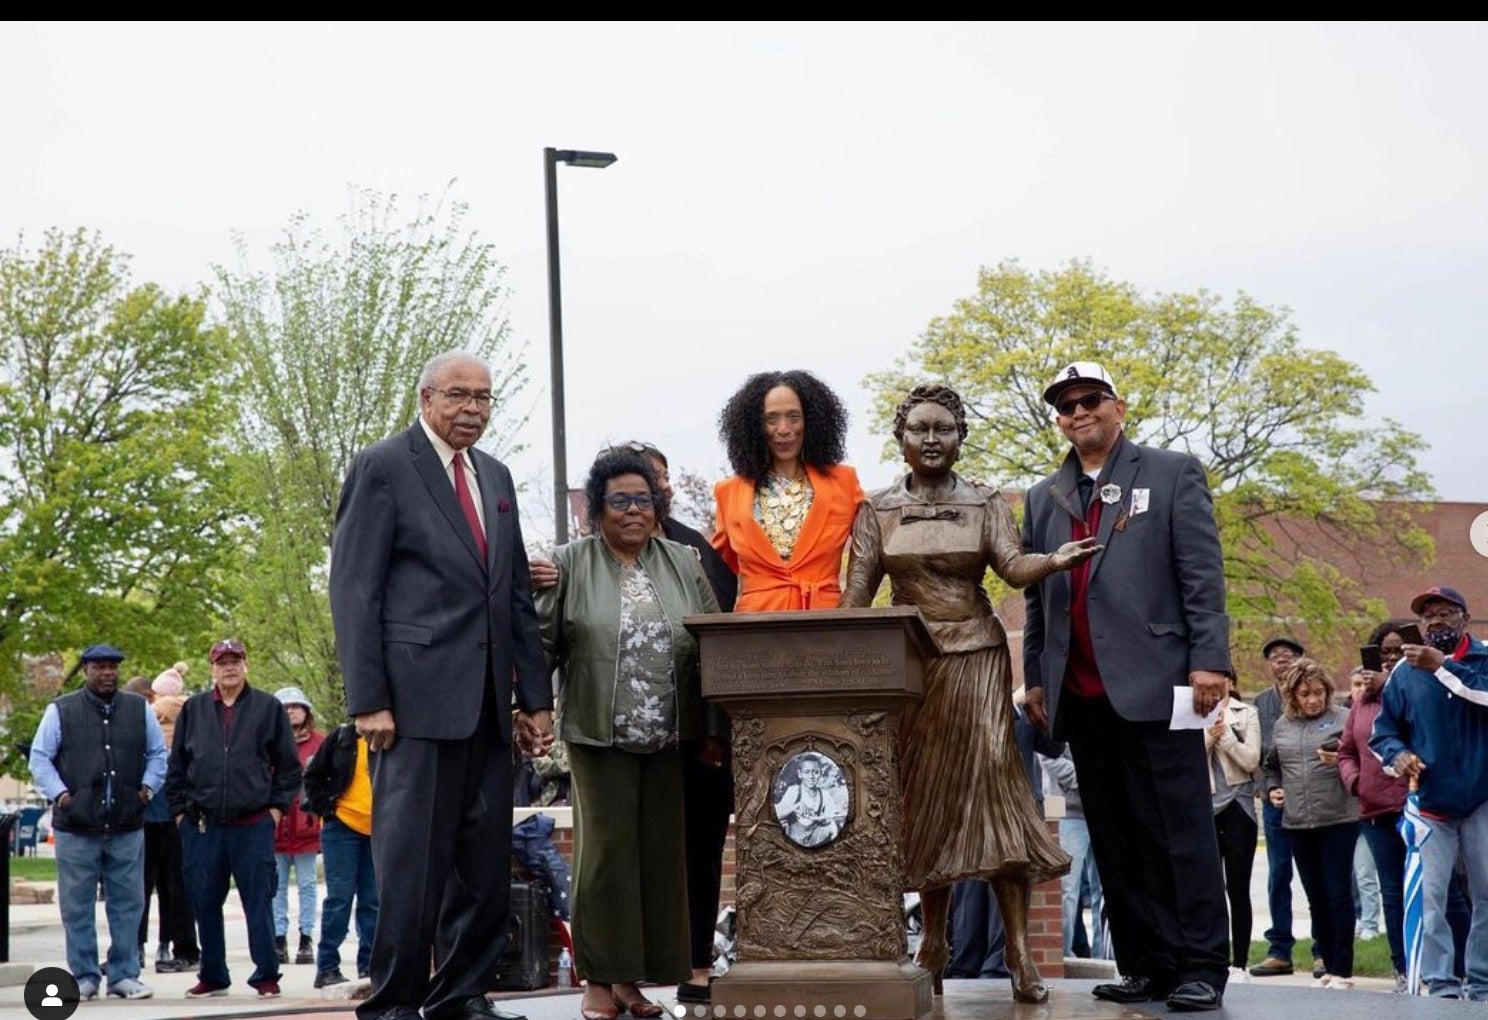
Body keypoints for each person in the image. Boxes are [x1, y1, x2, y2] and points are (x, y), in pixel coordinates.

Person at [841, 383, 1096, 1003]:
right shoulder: (877, 511)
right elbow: (855, 599)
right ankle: (933, 944)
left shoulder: (985, 503)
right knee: (927, 801)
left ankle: (1017, 951)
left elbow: (1011, 567)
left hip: (978, 660)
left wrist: (1054, 559)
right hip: (914, 672)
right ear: (901, 438)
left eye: (944, 429)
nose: (932, 439)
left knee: (992, 793)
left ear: (960, 437)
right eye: (920, 429)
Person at [329, 349, 553, 1020]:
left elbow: (514, 597)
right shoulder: (384, 467)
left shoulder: (497, 476)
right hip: (411, 707)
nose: (472, 410)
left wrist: (535, 700)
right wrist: (368, 699)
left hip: (486, 708)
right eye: (458, 396)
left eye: (483, 398)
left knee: (482, 869)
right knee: (413, 868)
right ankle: (395, 1001)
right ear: (425, 398)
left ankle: (462, 994)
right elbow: (354, 589)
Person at [1020, 362, 1232, 1012]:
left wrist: (1210, 662)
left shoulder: (1170, 473)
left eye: (1090, 400)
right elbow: (1037, 599)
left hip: (1163, 684)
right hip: (1080, 695)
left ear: (1118, 406)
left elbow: (1201, 575)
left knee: (1180, 831)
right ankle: (1147, 964)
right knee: (1115, 838)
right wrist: (1035, 677)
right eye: (1065, 406)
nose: (1078, 412)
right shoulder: (1041, 496)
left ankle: (1201, 965)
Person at [531, 440, 736, 1006]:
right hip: (601, 735)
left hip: (672, 735)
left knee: (658, 864)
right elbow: (542, 643)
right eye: (619, 501)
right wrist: (531, 712)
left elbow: (713, 646)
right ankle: (598, 983)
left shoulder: (681, 562)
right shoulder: (569, 563)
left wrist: (715, 726)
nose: (633, 511)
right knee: (606, 862)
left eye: (643, 500)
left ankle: (634, 982)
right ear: (597, 508)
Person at [29, 644, 168, 1001]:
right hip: (76, 825)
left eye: (112, 667)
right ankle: (85, 976)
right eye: (99, 667)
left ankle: (124, 974)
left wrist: (147, 790)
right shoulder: (61, 710)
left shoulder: (139, 709)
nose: (107, 673)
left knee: (128, 903)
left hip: (126, 823)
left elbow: (157, 754)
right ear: (87, 670)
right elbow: (40, 758)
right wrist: (61, 796)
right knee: (76, 906)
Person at [165, 638, 301, 999]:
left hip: (253, 823)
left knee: (258, 901)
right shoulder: (193, 709)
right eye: (222, 661)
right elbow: (176, 767)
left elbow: (288, 767)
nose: (229, 667)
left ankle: (266, 975)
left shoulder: (268, 707)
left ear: (246, 665)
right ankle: (213, 974)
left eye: (235, 660)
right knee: (205, 901)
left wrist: (275, 810)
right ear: (212, 668)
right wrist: (179, 814)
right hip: (202, 825)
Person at [1371, 585, 1488, 1000]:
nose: (1436, 621)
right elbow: (1382, 733)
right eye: (1427, 615)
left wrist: (1440, 667)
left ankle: (1482, 982)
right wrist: (1399, 756)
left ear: (1466, 617)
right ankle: (1440, 984)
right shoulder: (1404, 673)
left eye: (1445, 612)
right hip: (1431, 803)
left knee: (1486, 895)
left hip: (1482, 797)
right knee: (1431, 897)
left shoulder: (1483, 658)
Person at [712, 370, 863, 612]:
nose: (783, 429)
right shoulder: (728, 492)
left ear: (811, 421)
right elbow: (717, 574)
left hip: (829, 628)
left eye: (794, 417)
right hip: (754, 631)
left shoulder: (844, 482)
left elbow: (871, 554)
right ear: (755, 425)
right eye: (771, 419)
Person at [1261, 658, 1359, 989]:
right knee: (1316, 898)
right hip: (1298, 822)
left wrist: (1345, 760)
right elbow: (1271, 765)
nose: (1313, 699)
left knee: (1338, 894)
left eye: (1319, 692)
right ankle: (1327, 964)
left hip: (1338, 819)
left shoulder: (1345, 719)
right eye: (1306, 694)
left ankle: (1343, 969)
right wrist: (1273, 788)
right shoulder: (1282, 726)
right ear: (1293, 695)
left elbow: (1364, 758)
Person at [1337, 629, 1410, 993]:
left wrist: (1391, 685)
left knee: (1439, 892)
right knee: (1392, 893)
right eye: (1384, 651)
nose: (1391, 657)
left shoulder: (1419, 687)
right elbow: (1346, 750)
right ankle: (1404, 969)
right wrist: (1356, 782)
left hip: (1419, 807)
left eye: (1398, 651)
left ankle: (1454, 969)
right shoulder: (1363, 702)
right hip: (1377, 808)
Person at [1247, 635, 1321, 978]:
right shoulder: (1260, 703)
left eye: (1288, 655)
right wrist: (1267, 789)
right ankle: (1279, 950)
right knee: (1278, 876)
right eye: (1275, 657)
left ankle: (1323, 949)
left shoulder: (1315, 701)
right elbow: (1259, 755)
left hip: (1315, 802)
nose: (1282, 661)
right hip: (1277, 803)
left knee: (1316, 877)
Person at [301, 720, 378, 989]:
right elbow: (313, 777)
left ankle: (370, 968)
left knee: (373, 901)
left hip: (380, 831)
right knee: (339, 899)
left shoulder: (389, 738)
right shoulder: (341, 737)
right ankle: (327, 967)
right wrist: (327, 810)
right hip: (341, 828)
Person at [1207, 675, 1260, 979]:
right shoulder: (1191, 711)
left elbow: (1251, 760)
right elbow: (1184, 760)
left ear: (1229, 681)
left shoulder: (1246, 712)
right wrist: (1208, 736)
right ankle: (1215, 958)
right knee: (1209, 890)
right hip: (1205, 807)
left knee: (1237, 888)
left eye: (1221, 679)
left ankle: (1239, 962)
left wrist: (1225, 735)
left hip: (1239, 806)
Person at [147, 665, 199, 973]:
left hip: (148, 813)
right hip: (180, 815)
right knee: (178, 887)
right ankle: (180, 946)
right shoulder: (193, 718)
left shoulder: (146, 717)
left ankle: (134, 948)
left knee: (138, 888)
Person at [271, 686, 324, 966]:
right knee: (276, 885)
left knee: (307, 885)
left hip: (306, 826)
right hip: (277, 826)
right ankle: (278, 938)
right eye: (285, 707)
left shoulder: (320, 743)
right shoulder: (269, 742)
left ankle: (306, 938)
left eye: (296, 706)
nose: (291, 710)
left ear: (306, 710)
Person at [1040, 747, 1106, 961]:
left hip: (1102, 810)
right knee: (1066, 890)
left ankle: (1103, 956)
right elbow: (1048, 756)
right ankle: (1062, 956)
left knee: (1104, 892)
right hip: (1067, 814)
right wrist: (1089, 776)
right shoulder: (1056, 715)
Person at [773, 752, 848, 847]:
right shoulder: (794, 791)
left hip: (816, 835)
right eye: (807, 772)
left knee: (831, 826)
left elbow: (832, 815)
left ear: (820, 773)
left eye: (815, 772)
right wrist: (795, 807)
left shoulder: (824, 794)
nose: (811, 777)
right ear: (800, 774)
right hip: (795, 835)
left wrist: (823, 818)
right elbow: (778, 813)